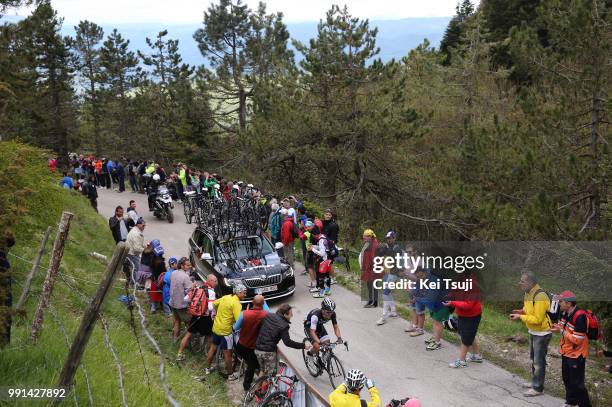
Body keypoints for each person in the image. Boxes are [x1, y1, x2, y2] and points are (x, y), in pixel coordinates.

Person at [509, 272, 551, 397]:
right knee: (534, 360)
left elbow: (538, 319)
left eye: (522, 281)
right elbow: (529, 310)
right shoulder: (528, 293)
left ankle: (538, 388)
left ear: (531, 283)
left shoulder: (540, 296)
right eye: (520, 280)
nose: (520, 283)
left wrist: (521, 316)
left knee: (539, 361)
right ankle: (535, 382)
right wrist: (521, 311)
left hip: (542, 332)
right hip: (533, 331)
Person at [550, 291, 592, 407]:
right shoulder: (565, 313)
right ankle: (571, 402)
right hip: (566, 351)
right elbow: (562, 326)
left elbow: (578, 339)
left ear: (568, 303)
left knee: (577, 384)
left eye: (561, 302)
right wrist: (556, 328)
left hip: (577, 354)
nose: (559, 304)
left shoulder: (580, 317)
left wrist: (561, 331)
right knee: (567, 379)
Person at [256, 304, 310, 377]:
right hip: (268, 352)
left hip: (257, 348)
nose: (292, 316)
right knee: (270, 377)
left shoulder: (269, 315)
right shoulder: (284, 325)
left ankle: (259, 387)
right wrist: (303, 346)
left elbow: (260, 328)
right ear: (285, 314)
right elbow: (288, 342)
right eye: (291, 314)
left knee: (262, 371)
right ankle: (263, 388)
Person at [206, 283, 247, 379]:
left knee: (212, 348)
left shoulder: (226, 297)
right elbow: (238, 320)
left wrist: (217, 312)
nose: (245, 295)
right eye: (244, 293)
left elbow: (214, 303)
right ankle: (230, 374)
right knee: (227, 354)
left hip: (216, 328)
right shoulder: (236, 303)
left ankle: (207, 369)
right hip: (226, 332)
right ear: (238, 292)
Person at [444, 274, 483, 368]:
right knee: (466, 333)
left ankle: (461, 361)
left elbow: (468, 305)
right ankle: (477, 356)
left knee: (466, 338)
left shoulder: (473, 286)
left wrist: (453, 302)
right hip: (462, 314)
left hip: (472, 315)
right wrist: (448, 297)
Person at [233, 295, 271, 391]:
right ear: (263, 304)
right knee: (252, 366)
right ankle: (247, 387)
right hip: (255, 348)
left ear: (252, 302)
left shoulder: (244, 314)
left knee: (252, 364)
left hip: (242, 346)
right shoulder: (267, 315)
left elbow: (235, 328)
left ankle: (251, 383)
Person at [176, 274, 218, 361]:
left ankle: (179, 353)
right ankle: (210, 357)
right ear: (210, 281)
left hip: (195, 316)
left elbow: (186, 299)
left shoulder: (197, 288)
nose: (216, 283)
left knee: (188, 334)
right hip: (206, 318)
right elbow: (210, 308)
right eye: (215, 281)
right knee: (209, 337)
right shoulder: (211, 293)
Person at [414, 267, 448, 351]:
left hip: (442, 303)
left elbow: (431, 298)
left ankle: (437, 343)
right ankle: (434, 337)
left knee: (438, 322)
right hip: (436, 303)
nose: (420, 279)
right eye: (418, 277)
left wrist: (418, 299)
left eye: (421, 276)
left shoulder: (434, 280)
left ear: (425, 272)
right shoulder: (429, 277)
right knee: (434, 320)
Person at [376, 231, 402, 325]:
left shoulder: (396, 248)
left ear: (394, 238)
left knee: (385, 294)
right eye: (387, 238)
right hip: (388, 273)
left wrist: (385, 249)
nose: (388, 240)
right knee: (387, 293)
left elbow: (396, 262)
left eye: (390, 238)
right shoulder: (390, 247)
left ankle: (383, 317)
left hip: (394, 274)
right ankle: (393, 312)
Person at [169, 257, 194, 342]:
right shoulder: (185, 276)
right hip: (181, 304)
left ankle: (175, 339)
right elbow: (189, 291)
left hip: (172, 302)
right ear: (182, 266)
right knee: (188, 324)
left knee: (177, 321)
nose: (189, 266)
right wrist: (193, 285)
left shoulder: (173, 273)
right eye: (187, 265)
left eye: (189, 265)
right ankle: (188, 341)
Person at [360, 229, 379, 308]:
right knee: (369, 284)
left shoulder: (374, 244)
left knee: (373, 285)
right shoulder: (368, 243)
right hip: (368, 268)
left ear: (370, 237)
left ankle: (374, 303)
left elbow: (374, 257)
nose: (364, 238)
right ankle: (371, 300)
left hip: (372, 268)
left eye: (365, 237)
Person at [311, 230, 331, 298]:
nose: (314, 237)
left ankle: (321, 293)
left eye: (313, 236)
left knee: (321, 277)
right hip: (329, 260)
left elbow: (322, 253)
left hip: (323, 261)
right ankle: (328, 290)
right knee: (327, 276)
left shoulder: (321, 240)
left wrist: (313, 249)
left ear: (315, 235)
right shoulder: (325, 237)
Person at [125, 217, 146, 284]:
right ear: (138, 225)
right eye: (143, 225)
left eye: (145, 225)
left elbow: (137, 244)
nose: (144, 227)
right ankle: (133, 284)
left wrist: (143, 246)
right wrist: (145, 250)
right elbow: (136, 249)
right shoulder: (136, 234)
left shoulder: (135, 230)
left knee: (134, 269)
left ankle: (131, 281)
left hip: (129, 252)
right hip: (132, 254)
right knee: (136, 269)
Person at [322, 208, 339, 284]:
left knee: (329, 262)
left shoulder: (333, 225)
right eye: (326, 214)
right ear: (324, 215)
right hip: (324, 244)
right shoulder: (324, 223)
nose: (328, 216)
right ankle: (328, 276)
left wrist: (330, 247)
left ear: (331, 216)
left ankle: (334, 278)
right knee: (325, 262)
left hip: (330, 246)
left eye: (329, 215)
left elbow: (333, 238)